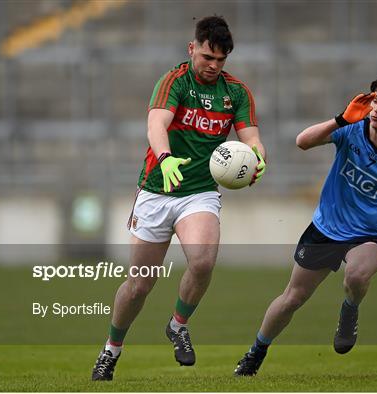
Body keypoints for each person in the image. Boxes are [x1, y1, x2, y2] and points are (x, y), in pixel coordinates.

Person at [233, 76, 377, 376]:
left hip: (372, 237)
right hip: (326, 229)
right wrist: (341, 119)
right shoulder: (350, 131)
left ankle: (350, 308)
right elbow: (302, 142)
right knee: (293, 297)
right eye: (375, 101)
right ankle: (256, 352)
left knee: (355, 274)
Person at [92, 15, 266, 381]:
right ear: (192, 49)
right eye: (207, 57)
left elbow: (250, 136)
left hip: (199, 192)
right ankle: (111, 351)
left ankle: (177, 324)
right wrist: (166, 159)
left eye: (221, 60)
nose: (213, 66)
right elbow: (157, 123)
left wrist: (258, 158)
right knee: (139, 284)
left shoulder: (235, 92)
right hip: (157, 190)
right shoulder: (173, 81)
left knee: (202, 262)